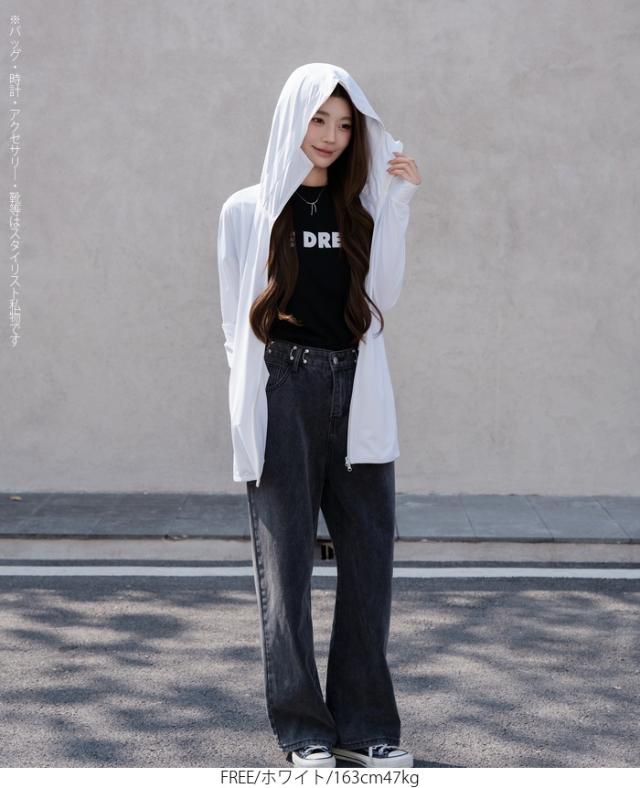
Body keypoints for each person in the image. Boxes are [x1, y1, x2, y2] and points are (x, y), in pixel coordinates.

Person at [216, 63, 421, 768]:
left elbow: (382, 295)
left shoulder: (361, 207)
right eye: (318, 120)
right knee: (287, 570)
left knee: (369, 560)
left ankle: (365, 726)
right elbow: (233, 325)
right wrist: (245, 410)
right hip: (284, 388)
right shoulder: (247, 210)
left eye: (343, 125)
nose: (330, 136)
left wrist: (397, 202)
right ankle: (304, 731)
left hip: (356, 386)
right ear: (292, 120)